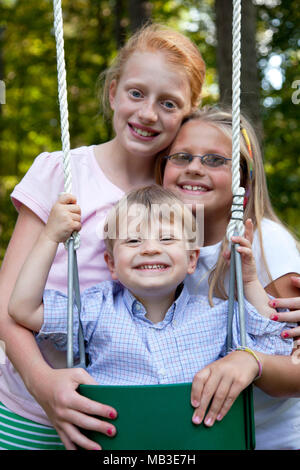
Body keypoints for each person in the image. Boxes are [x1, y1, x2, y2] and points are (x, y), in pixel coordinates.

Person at [0, 23, 206, 450]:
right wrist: (44, 385)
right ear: (113, 93)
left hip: (126, 418)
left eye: (168, 103)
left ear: (186, 114)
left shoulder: (178, 197)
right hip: (29, 406)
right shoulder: (62, 171)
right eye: (136, 93)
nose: (148, 113)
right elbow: (5, 306)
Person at [8, 187, 293, 439]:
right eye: (133, 241)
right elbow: (24, 308)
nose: (150, 249)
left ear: (192, 259)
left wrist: (248, 281)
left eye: (167, 239)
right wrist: (49, 237)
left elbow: (274, 344)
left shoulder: (216, 315)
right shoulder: (95, 308)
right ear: (112, 264)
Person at [156, 105, 300, 449]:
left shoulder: (266, 243)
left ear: (244, 180)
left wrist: (253, 360)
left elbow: (295, 370)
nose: (194, 168)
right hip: (202, 438)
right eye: (182, 157)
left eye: (215, 160)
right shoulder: (154, 246)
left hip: (270, 439)